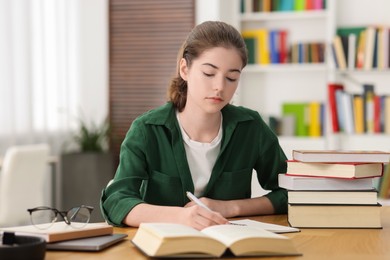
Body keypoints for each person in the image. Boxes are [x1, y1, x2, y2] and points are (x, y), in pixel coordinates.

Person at [101, 21, 287, 231]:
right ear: (184, 69)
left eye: (231, 77)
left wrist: (230, 207)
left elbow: (293, 192)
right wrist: (181, 216)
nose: (220, 87)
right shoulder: (147, 130)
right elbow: (117, 200)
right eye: (209, 73)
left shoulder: (251, 128)